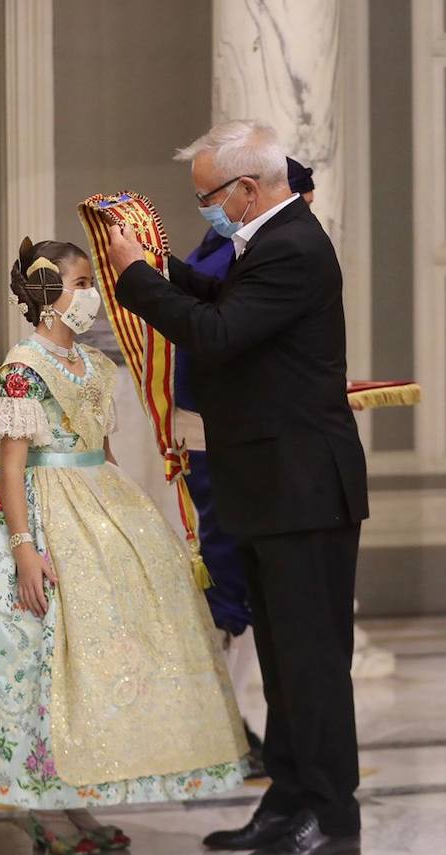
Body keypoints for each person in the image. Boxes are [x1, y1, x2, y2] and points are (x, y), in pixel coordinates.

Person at [0, 236, 248, 855]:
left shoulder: (95, 365)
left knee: (95, 661)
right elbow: (14, 467)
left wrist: (128, 528)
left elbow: (101, 450)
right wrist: (24, 548)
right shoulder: (24, 365)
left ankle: (76, 795)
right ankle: (36, 802)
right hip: (39, 513)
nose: (92, 297)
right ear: (50, 295)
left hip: (98, 505)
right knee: (32, 658)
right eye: (81, 285)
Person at [106, 119, 368, 855]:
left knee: (311, 662)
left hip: (304, 490)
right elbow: (223, 296)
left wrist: (136, 278)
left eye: (208, 199)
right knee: (284, 661)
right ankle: (286, 801)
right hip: (271, 486)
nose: (206, 215)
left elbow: (217, 334)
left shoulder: (291, 247)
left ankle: (331, 815)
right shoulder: (269, 243)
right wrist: (161, 264)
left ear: (247, 189)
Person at [177, 156, 317, 778]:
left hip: (242, 441)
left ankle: (239, 729)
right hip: (218, 438)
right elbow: (216, 321)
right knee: (228, 579)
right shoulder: (231, 252)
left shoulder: (250, 251)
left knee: (246, 588)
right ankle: (223, 727)